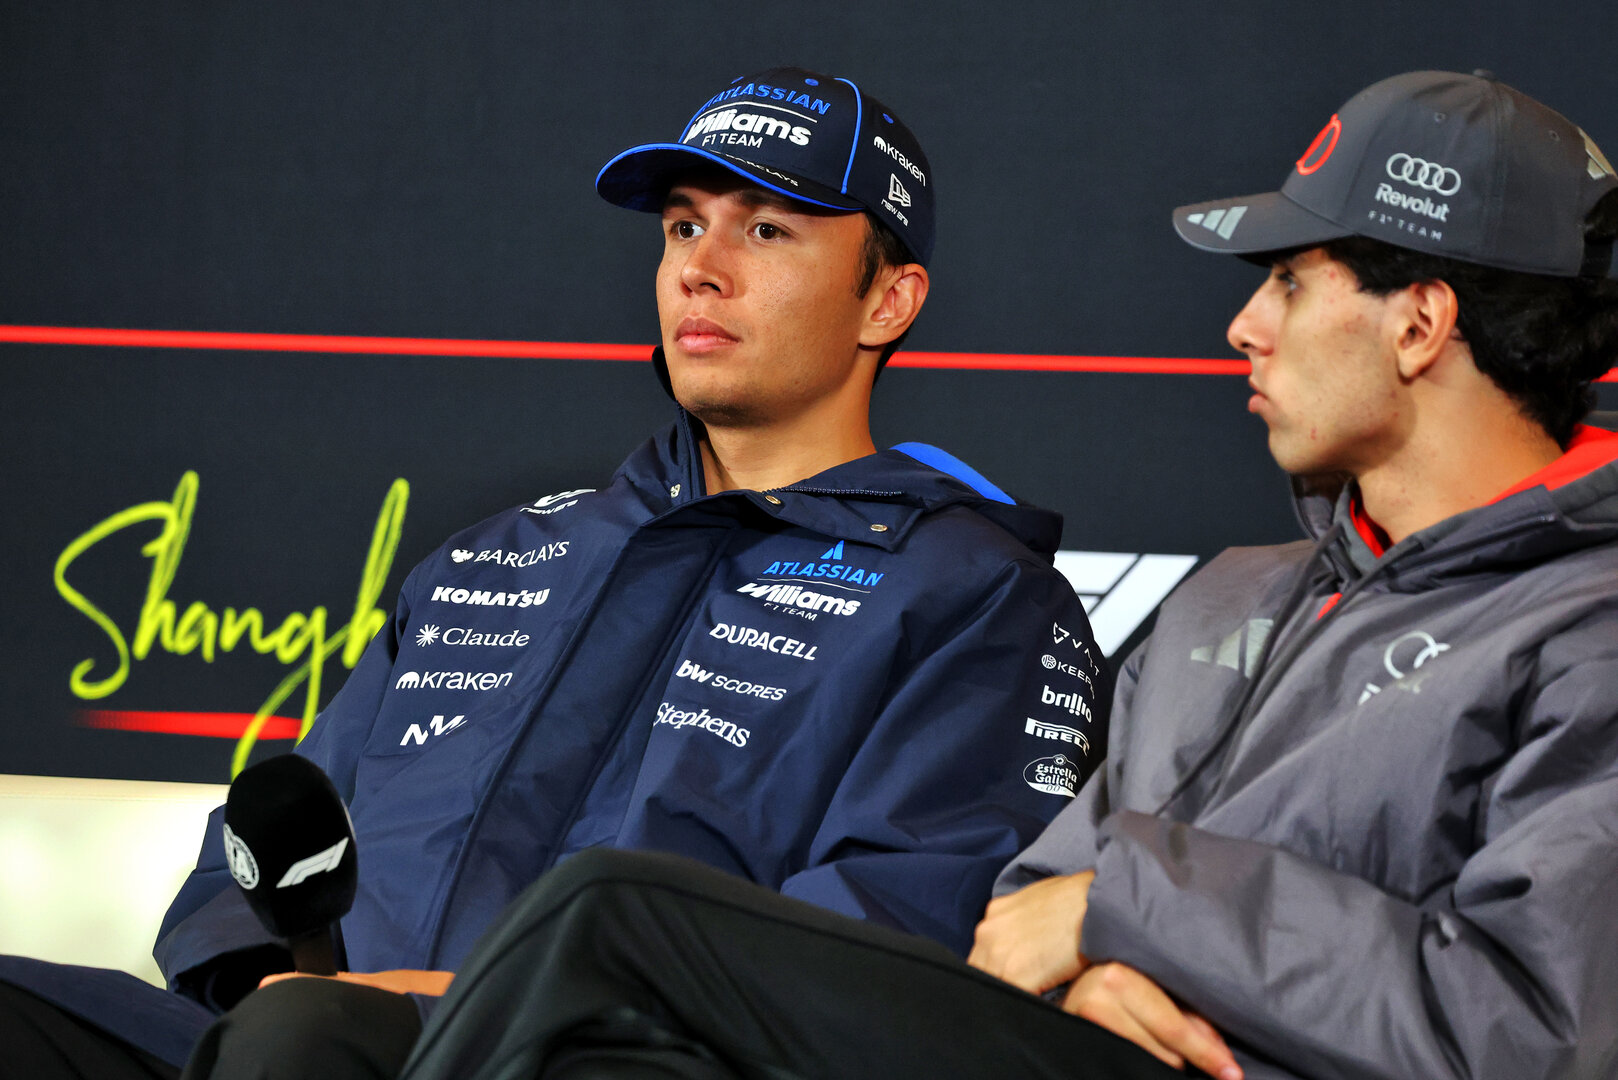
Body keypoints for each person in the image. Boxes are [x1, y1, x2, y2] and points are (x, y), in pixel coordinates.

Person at [392, 70, 1618, 1080]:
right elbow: (1018, 914)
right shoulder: (1229, 597)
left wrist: (1134, 913)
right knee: (399, 1035)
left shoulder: (1588, 626)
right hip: (1060, 1050)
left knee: (608, 919)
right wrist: (1102, 956)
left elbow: (1537, 1031)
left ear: (1417, 324)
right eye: (683, 229)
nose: (1244, 328)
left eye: (1289, 282)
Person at [0, 67, 1107, 1078]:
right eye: (682, 229)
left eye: (765, 231)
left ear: (887, 302)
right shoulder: (501, 554)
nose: (699, 272)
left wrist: (464, 1006)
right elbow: (261, 857)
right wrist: (262, 983)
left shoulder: (974, 595)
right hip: (314, 1044)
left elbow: (889, 940)